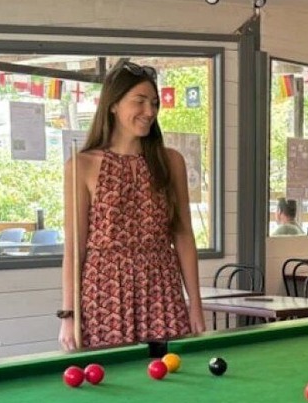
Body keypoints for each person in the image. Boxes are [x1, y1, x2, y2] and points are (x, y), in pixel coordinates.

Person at [58, 62, 205, 351]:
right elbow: (75, 248)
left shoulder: (170, 161)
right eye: (139, 101)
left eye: (154, 103)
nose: (149, 111)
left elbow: (184, 236)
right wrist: (68, 315)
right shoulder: (82, 166)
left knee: (171, 378)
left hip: (161, 288)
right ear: (113, 105)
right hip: (104, 293)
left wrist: (195, 305)